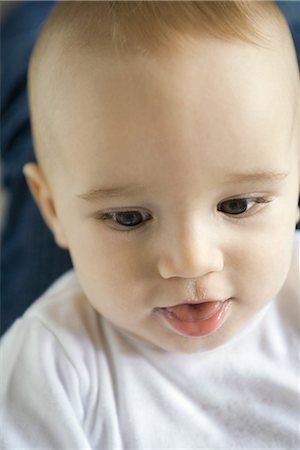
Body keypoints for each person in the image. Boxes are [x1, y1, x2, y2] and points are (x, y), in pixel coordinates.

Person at [0, 1, 299, 448]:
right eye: (129, 217)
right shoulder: (49, 368)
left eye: (237, 205)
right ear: (53, 210)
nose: (191, 261)